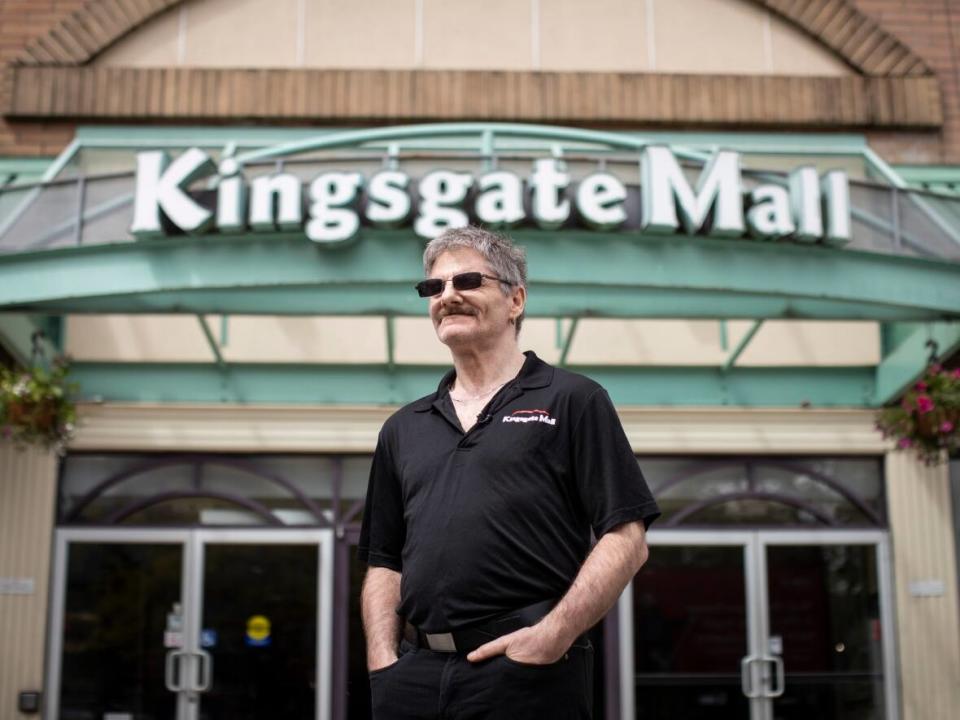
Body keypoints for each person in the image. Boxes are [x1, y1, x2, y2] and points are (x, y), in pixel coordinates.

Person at [358, 225, 660, 719]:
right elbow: (384, 559)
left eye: (467, 281)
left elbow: (626, 538)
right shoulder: (402, 427)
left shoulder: (573, 400)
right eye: (434, 288)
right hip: (412, 680)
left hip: (526, 672)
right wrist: (382, 660)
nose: (448, 296)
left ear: (515, 299)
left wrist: (551, 637)